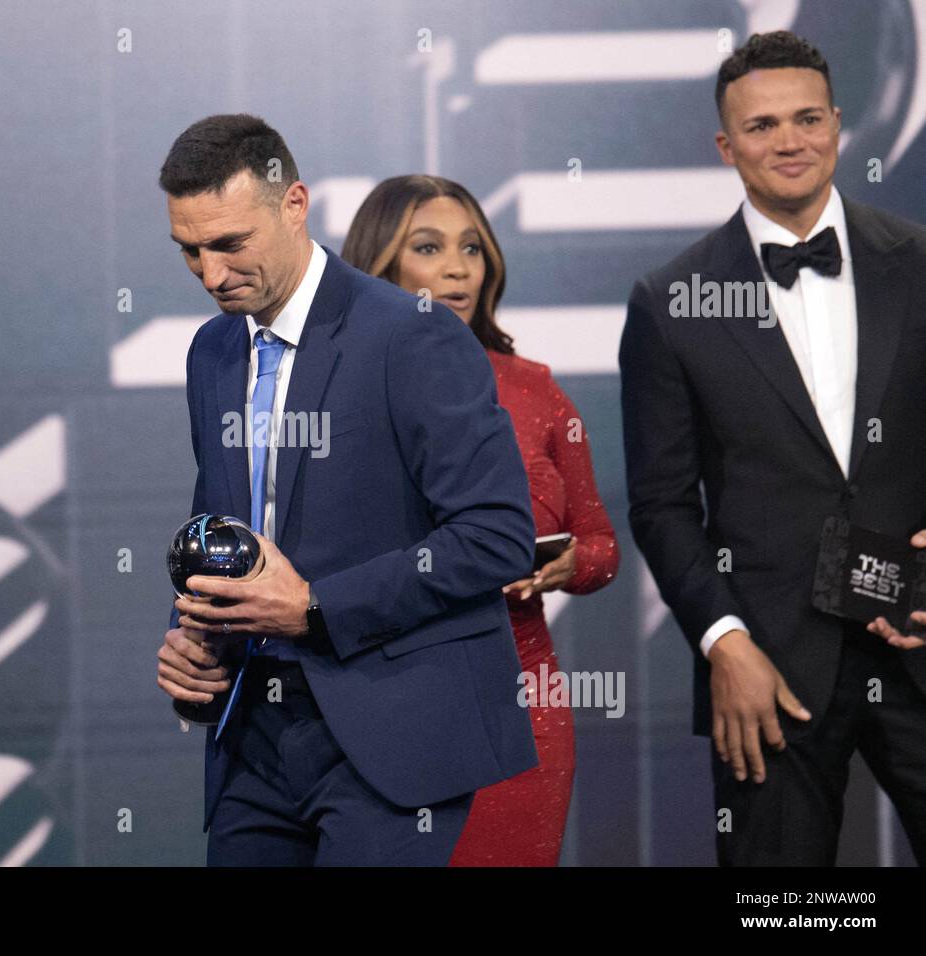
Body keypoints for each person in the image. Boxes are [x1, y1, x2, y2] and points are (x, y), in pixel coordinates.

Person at [153, 114, 538, 865]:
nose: (209, 273)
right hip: (253, 740)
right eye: (189, 251)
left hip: (391, 736)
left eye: (230, 244)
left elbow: (495, 536)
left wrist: (315, 609)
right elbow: (222, 528)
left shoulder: (412, 334)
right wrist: (194, 634)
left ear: (293, 205)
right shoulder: (212, 351)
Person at [620, 31, 926, 865]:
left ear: (838, 125)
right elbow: (661, 504)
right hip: (770, 664)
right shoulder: (670, 300)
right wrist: (724, 641)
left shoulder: (920, 262)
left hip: (919, 634)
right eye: (761, 127)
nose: (788, 142)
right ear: (726, 146)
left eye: (806, 119)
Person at [342, 175, 619, 866]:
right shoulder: (336, 389)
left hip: (523, 700)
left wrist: (569, 565)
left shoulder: (537, 389)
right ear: (381, 263)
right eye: (429, 247)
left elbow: (602, 543)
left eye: (472, 246)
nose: (459, 266)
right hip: (383, 704)